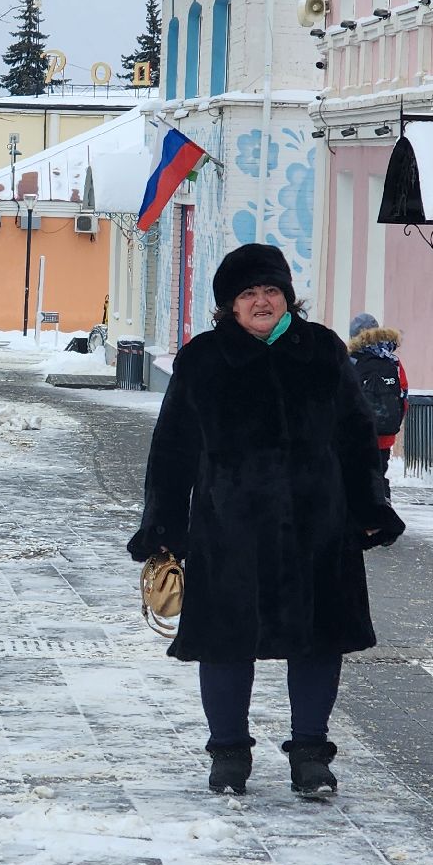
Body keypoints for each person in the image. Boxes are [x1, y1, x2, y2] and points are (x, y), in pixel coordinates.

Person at [128, 243, 404, 798]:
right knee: (225, 644)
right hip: (227, 534)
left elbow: (356, 437)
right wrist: (164, 528)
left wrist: (370, 506)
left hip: (317, 530)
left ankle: (310, 758)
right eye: (248, 294)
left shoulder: (322, 351)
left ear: (287, 298)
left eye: (270, 291)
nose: (261, 301)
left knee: (318, 642)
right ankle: (228, 756)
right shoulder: (203, 359)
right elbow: (173, 449)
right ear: (228, 305)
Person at [347, 313, 409, 477]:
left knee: (356, 480)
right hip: (384, 436)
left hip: (355, 437)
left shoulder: (349, 361)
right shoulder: (391, 361)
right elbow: (403, 395)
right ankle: (383, 500)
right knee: (379, 478)